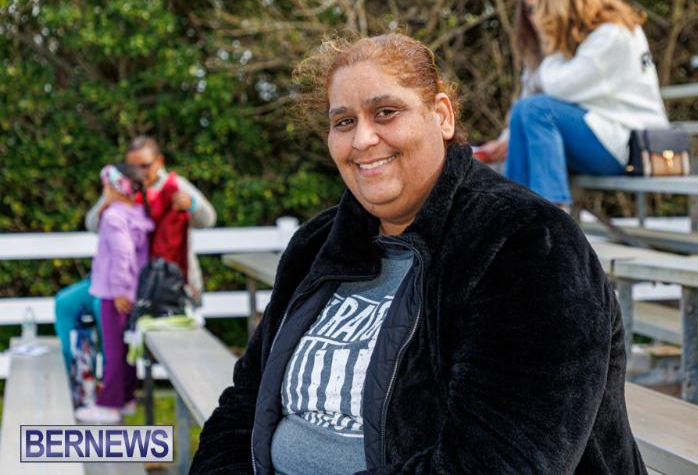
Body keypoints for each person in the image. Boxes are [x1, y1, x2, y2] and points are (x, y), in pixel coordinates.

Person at [192, 33, 645, 473]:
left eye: (385, 112)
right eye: (344, 122)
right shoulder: (315, 244)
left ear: (442, 116)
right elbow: (243, 404)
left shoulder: (527, 241)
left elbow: (499, 460)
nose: (362, 139)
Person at [478, 0, 668, 207]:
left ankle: (551, 213)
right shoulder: (603, 32)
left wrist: (551, 43)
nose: (541, 15)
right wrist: (507, 140)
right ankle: (513, 211)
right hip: (613, 136)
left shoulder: (612, 35)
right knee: (526, 111)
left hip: (630, 144)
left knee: (536, 111)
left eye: (545, 5)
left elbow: (558, 86)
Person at [54, 136, 217, 370]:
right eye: (133, 166)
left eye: (145, 165)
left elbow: (209, 218)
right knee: (66, 304)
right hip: (121, 278)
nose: (139, 172)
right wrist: (106, 203)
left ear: (160, 161)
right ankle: (78, 375)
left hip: (162, 283)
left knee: (105, 310)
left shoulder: (176, 186)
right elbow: (91, 224)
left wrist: (191, 205)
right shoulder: (122, 186)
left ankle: (113, 381)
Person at [74, 164, 154, 424]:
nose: (103, 190)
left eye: (106, 185)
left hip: (115, 294)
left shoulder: (112, 217)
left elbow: (122, 254)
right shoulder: (136, 213)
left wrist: (119, 290)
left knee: (113, 351)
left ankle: (109, 405)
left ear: (118, 188)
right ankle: (127, 397)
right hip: (132, 291)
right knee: (125, 347)